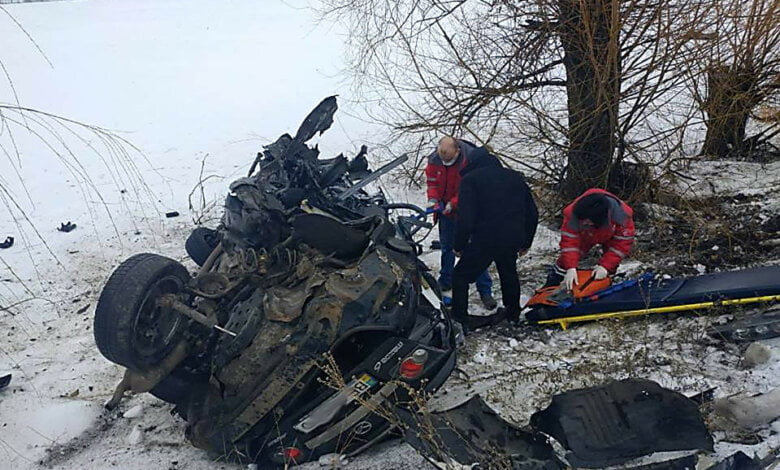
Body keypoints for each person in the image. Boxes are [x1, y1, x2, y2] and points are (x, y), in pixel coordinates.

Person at [452, 147, 539, 330]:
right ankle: (513, 313)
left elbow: (466, 218)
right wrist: (526, 241)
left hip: (485, 238)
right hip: (512, 237)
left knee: (460, 276)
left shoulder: (471, 180)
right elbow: (532, 212)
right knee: (508, 272)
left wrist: (459, 244)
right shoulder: (515, 177)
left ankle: (459, 319)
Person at [426, 136, 497, 309]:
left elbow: (470, 188)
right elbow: (432, 181)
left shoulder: (470, 161)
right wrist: (433, 199)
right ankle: (446, 280)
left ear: (457, 151)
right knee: (446, 247)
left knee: (474, 251)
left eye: (448, 158)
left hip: (469, 212)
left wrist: (454, 203)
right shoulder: (435, 160)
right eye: (442, 158)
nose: (445, 161)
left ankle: (485, 290)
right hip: (445, 214)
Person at [545, 188, 635, 291]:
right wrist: (570, 268)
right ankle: (550, 286)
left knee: (609, 266)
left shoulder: (622, 216)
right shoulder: (572, 214)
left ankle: (601, 290)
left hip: (610, 234)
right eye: (582, 221)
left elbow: (621, 246)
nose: (584, 223)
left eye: (588, 222)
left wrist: (605, 266)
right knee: (564, 262)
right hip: (584, 235)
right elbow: (569, 243)